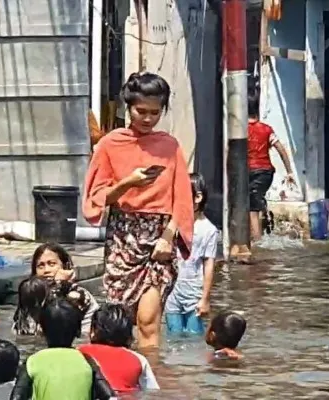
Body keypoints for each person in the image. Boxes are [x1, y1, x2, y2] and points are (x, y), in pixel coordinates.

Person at [83, 72, 194, 348]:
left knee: (148, 320)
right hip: (123, 236)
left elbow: (182, 198)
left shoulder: (169, 146)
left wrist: (168, 238)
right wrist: (128, 182)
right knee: (118, 323)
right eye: (141, 111)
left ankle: (151, 383)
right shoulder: (109, 144)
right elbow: (98, 198)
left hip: (160, 237)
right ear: (127, 107)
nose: (147, 118)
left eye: (155, 113)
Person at [9, 298, 117, 400]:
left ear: (41, 330)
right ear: (78, 331)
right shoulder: (87, 362)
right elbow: (110, 397)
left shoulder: (32, 362)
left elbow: (17, 397)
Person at [165, 173, 218, 335]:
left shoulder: (208, 230)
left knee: (194, 337)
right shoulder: (171, 226)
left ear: (197, 198)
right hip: (172, 292)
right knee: (173, 336)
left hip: (193, 293)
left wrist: (205, 298)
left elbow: (208, 265)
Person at [247, 89, 295, 241]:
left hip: (251, 172)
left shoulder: (240, 130)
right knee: (257, 202)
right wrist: (289, 172)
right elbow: (281, 149)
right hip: (267, 173)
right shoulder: (266, 130)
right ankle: (260, 235)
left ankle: (258, 244)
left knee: (252, 210)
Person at [79, 304, 160, 393]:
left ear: (93, 331)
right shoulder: (138, 359)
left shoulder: (79, 354)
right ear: (129, 335)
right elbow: (153, 392)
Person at [27, 242, 99, 334]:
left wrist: (59, 284)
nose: (46, 270)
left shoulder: (79, 294)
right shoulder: (32, 294)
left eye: (52, 264)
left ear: (65, 266)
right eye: (40, 266)